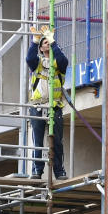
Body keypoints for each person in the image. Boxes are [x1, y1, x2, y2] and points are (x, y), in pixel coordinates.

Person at [26, 29, 68, 180]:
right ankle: (37, 170)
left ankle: (59, 170)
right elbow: (29, 58)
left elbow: (64, 61)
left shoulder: (58, 63)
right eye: (45, 43)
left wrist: (53, 41)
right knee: (38, 140)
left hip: (54, 106)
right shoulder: (37, 63)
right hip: (38, 106)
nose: (47, 44)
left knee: (56, 141)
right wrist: (35, 40)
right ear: (41, 48)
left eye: (48, 42)